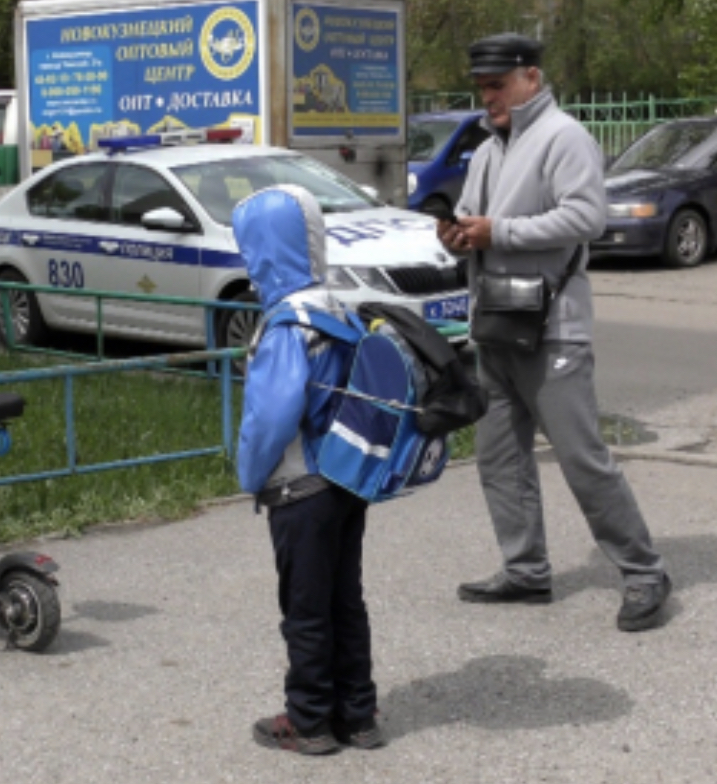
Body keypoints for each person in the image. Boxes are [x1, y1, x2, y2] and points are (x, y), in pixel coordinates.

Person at [437, 33, 672, 632]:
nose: (488, 97)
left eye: (497, 85)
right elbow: (476, 219)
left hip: (553, 327)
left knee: (581, 458)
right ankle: (525, 569)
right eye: (482, 88)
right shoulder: (489, 149)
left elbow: (587, 217)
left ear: (532, 79)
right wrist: (459, 235)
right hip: (496, 321)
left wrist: (499, 232)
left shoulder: (564, 136)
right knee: (499, 457)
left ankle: (644, 572)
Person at [233, 184, 384, 754]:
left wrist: (250, 475)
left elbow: (271, 417)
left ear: (265, 249)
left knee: (305, 608)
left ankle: (310, 720)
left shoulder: (284, 325)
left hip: (299, 488)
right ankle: (358, 715)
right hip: (347, 478)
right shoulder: (337, 308)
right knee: (346, 600)